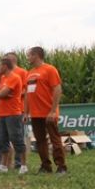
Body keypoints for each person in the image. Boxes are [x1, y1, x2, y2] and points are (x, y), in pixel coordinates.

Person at [25, 46, 67, 174]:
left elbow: (57, 89)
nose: (28, 58)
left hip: (48, 113)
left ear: (36, 55)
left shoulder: (49, 69)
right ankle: (45, 166)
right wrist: (26, 112)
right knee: (40, 141)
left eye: (29, 55)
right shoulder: (29, 72)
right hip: (35, 114)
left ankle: (61, 166)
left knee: (55, 139)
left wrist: (53, 110)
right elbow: (27, 94)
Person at [0, 58, 27, 174]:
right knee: (2, 140)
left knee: (17, 139)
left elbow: (4, 92)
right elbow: (0, 92)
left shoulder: (14, 77)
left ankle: (24, 165)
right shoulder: (3, 78)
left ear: (5, 66)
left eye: (0, 65)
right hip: (2, 114)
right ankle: (3, 165)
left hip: (13, 113)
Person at [5, 51, 29, 171]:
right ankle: (5, 163)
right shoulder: (5, 74)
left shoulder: (22, 72)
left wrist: (13, 92)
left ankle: (19, 162)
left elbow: (26, 90)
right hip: (6, 111)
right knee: (5, 138)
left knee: (17, 137)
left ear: (13, 60)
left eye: (7, 59)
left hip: (18, 109)